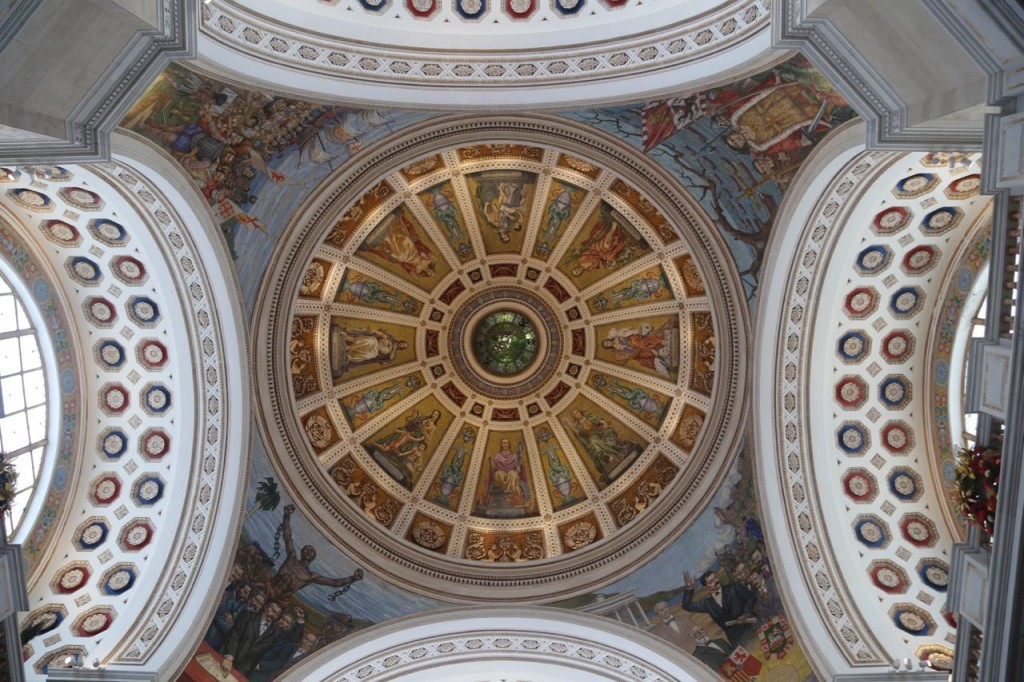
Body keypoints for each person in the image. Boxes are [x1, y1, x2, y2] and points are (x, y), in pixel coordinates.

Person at [267, 505, 364, 603]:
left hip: (280, 601)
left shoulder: (310, 576)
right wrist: (286, 517)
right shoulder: (291, 558)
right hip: (267, 590)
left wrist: (352, 578)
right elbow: (287, 537)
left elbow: (335, 582)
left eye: (311, 551)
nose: (309, 551)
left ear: (313, 558)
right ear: (301, 552)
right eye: (307, 549)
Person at [680, 570, 758, 647]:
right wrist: (690, 588)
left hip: (753, 627)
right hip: (737, 639)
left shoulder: (734, 587)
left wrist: (746, 614)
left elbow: (751, 598)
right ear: (705, 587)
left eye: (715, 578)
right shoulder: (707, 604)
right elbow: (687, 605)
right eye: (711, 581)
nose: (716, 581)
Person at [221, 597, 282, 675]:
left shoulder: (275, 632)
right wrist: (229, 657)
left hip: (244, 669)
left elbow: (264, 652)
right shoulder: (248, 615)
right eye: (273, 610)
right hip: (228, 658)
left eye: (277, 613)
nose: (274, 614)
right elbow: (234, 635)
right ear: (266, 607)